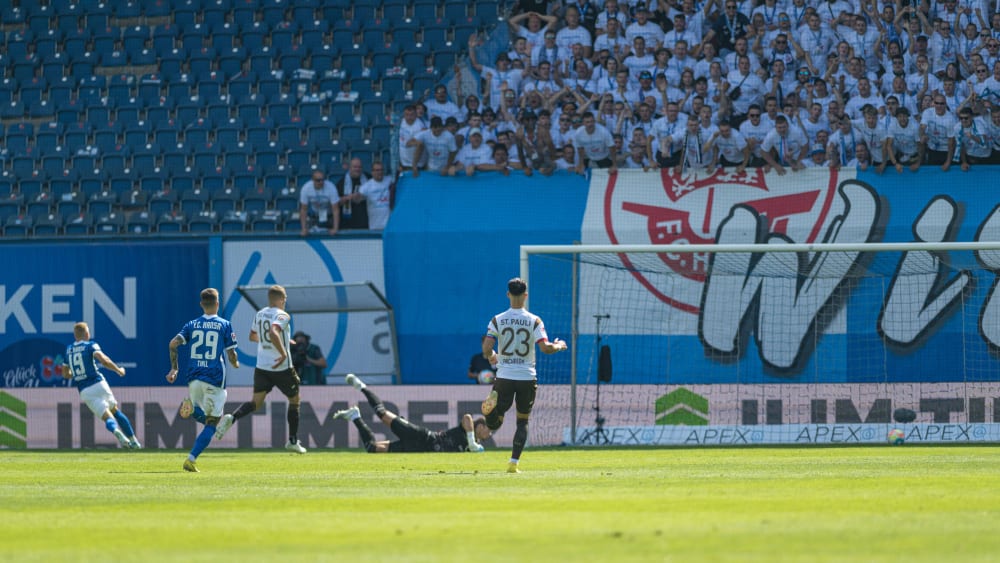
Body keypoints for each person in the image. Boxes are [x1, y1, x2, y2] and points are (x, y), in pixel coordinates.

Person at [480, 277, 568, 473]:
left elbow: (486, 347)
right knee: (522, 421)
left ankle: (490, 412)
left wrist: (492, 356)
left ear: (508, 295)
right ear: (526, 296)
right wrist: (560, 346)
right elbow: (545, 348)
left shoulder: (498, 319)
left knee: (496, 421)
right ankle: (513, 463)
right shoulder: (534, 320)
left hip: (504, 376)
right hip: (526, 377)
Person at [214, 285, 307, 454]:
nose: (285, 301)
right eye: (284, 298)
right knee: (295, 400)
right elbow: (273, 332)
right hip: (281, 368)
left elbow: (253, 336)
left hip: (262, 367)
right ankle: (293, 441)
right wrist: (283, 352)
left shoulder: (260, 313)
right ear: (278, 299)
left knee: (255, 403)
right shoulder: (283, 315)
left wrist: (285, 340)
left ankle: (232, 417)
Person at [166, 288, 239, 472]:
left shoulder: (192, 324)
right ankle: (191, 459)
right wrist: (235, 362)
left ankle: (192, 410)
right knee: (213, 423)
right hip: (214, 378)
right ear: (217, 304)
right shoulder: (224, 324)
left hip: (193, 378)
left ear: (201, 304)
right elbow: (231, 353)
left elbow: (173, 343)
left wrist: (174, 368)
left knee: (210, 419)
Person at [332, 374, 491, 453]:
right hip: (422, 437)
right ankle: (361, 386)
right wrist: (471, 441)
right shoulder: (469, 433)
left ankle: (355, 416)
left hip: (416, 450)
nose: (489, 434)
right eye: (488, 429)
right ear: (480, 426)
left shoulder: (476, 447)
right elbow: (467, 417)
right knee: (382, 414)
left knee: (372, 449)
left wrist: (473, 445)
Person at [62, 321, 141, 450]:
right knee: (115, 410)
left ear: (75, 336)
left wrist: (78, 373)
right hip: (99, 383)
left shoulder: (68, 350)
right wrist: (118, 370)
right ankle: (134, 441)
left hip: (85, 390)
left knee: (107, 417)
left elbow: (65, 374)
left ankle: (117, 432)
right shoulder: (91, 345)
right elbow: (104, 361)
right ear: (87, 333)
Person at [349, 161, 392, 230]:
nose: (380, 172)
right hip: (375, 226)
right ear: (372, 172)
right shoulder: (366, 186)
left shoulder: (390, 180)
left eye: (381, 170)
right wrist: (356, 197)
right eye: (377, 170)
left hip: (390, 225)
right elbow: (357, 199)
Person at [298, 170, 339, 236]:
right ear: (313, 180)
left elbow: (335, 209)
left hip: (329, 215)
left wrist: (335, 228)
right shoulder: (306, 188)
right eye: (318, 180)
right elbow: (303, 210)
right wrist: (304, 228)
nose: (321, 182)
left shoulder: (331, 188)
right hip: (315, 215)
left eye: (323, 180)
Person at [334, 158, 370, 231]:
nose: (357, 169)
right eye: (355, 167)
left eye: (359, 167)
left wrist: (363, 196)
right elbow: (336, 203)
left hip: (366, 221)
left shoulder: (369, 179)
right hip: (348, 222)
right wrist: (348, 198)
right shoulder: (342, 182)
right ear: (350, 168)